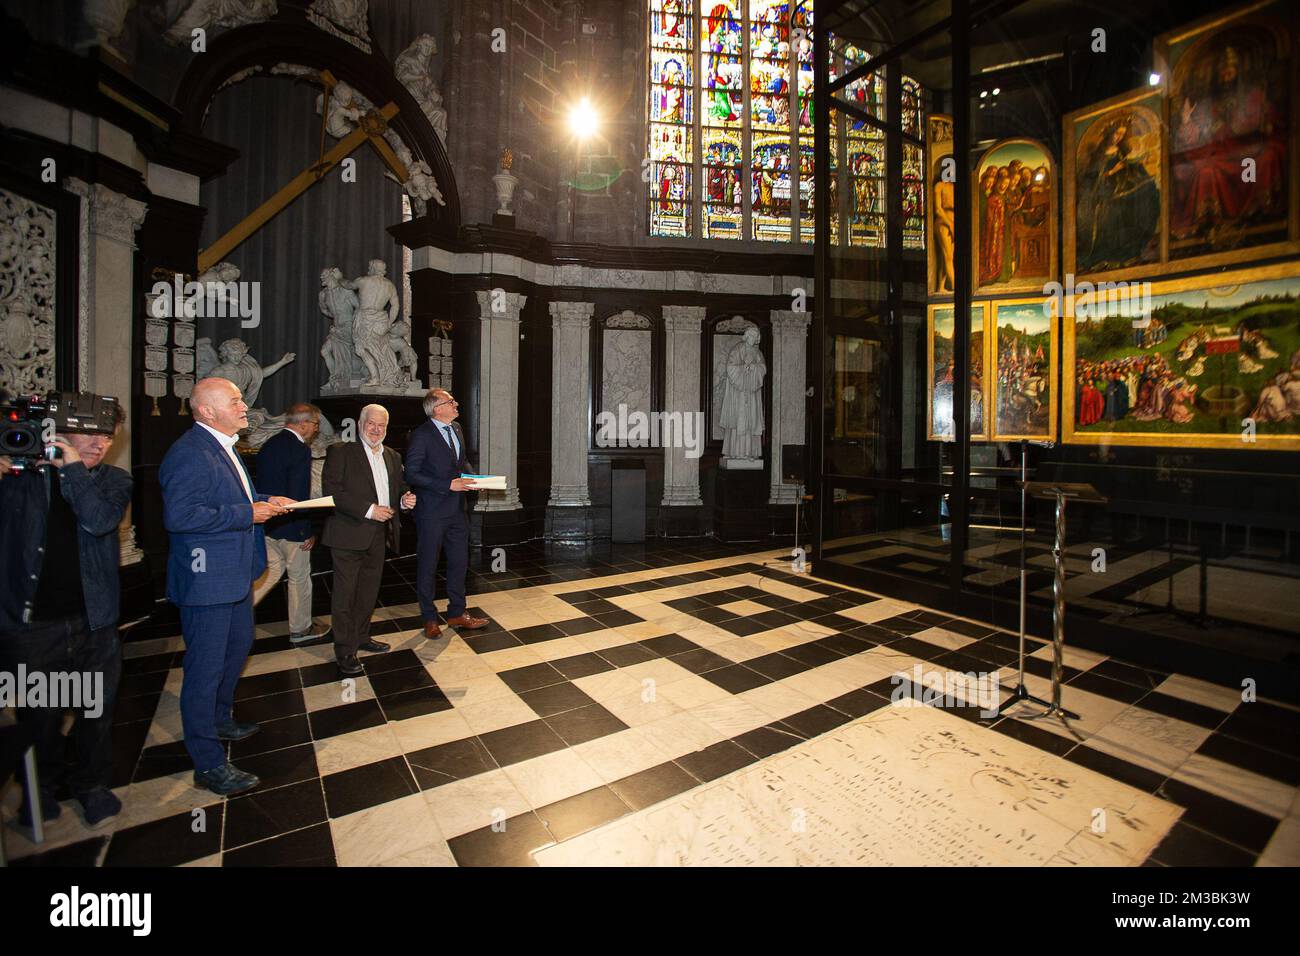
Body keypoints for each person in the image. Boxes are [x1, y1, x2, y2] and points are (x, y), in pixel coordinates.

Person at [0, 400, 131, 828]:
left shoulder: (113, 480)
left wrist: (72, 467)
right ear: (57, 430)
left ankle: (91, 786)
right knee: (41, 717)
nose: (100, 443)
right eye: (89, 433)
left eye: (108, 435)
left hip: (94, 622)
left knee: (95, 715)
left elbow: (97, 520)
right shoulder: (20, 480)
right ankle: (40, 792)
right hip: (36, 625)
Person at [160, 377, 293, 796]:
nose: (244, 405)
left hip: (232, 576)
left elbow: (234, 497)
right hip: (207, 581)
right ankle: (208, 762)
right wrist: (246, 513)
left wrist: (268, 501)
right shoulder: (189, 454)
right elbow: (181, 517)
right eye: (234, 400)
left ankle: (220, 719)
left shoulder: (222, 447)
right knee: (205, 668)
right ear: (206, 411)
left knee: (236, 649)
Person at [321, 404, 416, 676]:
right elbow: (332, 492)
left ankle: (361, 637)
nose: (376, 430)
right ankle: (344, 649)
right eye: (371, 424)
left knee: (367, 593)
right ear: (360, 424)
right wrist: (369, 509)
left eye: (382, 426)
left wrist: (405, 500)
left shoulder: (393, 456)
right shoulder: (341, 452)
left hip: (379, 535)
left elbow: (398, 490)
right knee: (345, 595)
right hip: (348, 534)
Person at [405, 389, 489, 640]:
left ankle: (457, 612)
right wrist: (446, 485)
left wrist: (472, 478)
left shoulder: (457, 429)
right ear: (436, 408)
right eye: (450, 402)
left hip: (457, 510)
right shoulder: (421, 435)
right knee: (428, 565)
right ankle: (429, 618)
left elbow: (461, 462)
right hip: (431, 512)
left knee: (458, 563)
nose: (456, 404)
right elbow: (412, 473)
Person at [252, 403, 330, 645]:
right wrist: (306, 530)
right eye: (315, 424)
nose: (316, 430)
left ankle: (235, 612)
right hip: (291, 526)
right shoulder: (299, 449)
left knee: (270, 572)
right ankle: (301, 629)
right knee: (299, 577)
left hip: (268, 523)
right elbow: (299, 494)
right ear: (303, 423)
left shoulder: (269, 445)